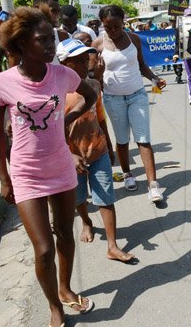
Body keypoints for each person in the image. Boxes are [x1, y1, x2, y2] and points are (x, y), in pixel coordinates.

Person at [0, 7, 98, 327]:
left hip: (61, 168)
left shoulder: (62, 75)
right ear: (22, 45)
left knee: (65, 234)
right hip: (26, 173)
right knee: (44, 249)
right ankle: (54, 306)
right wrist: (4, 178)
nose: (51, 45)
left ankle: (65, 288)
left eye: (52, 38)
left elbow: (88, 95)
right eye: (43, 39)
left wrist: (68, 118)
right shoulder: (1, 83)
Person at [56, 38, 134, 262]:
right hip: (71, 156)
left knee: (105, 197)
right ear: (63, 64)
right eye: (78, 61)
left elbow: (100, 119)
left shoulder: (93, 86)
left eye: (85, 60)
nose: (84, 65)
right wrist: (69, 155)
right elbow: (52, 131)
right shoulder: (55, 93)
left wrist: (108, 147)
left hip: (97, 151)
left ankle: (112, 245)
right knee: (79, 198)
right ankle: (86, 222)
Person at [92, 5, 167, 201]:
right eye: (108, 27)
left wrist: (154, 79)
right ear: (103, 25)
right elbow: (94, 78)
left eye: (117, 26)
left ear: (123, 22)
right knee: (122, 140)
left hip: (137, 95)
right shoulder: (97, 44)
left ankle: (153, 185)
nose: (113, 31)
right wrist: (98, 74)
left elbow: (142, 65)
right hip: (113, 98)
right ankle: (127, 174)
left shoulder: (133, 39)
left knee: (143, 138)